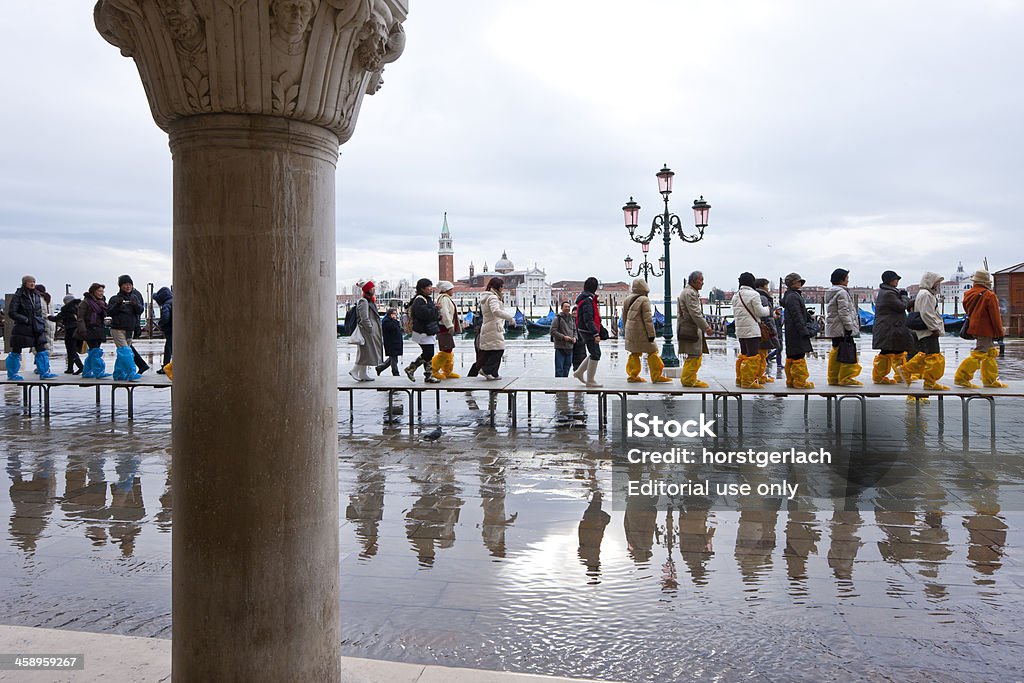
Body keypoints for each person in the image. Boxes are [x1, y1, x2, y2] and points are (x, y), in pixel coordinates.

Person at [954, 269, 1007, 388]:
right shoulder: (989, 295)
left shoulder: (968, 294)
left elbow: (968, 310)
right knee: (980, 353)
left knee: (989, 353)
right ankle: (961, 377)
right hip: (986, 330)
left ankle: (990, 380)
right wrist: (999, 332)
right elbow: (995, 316)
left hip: (974, 328)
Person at [897, 272, 949, 390]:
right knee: (933, 357)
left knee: (925, 355)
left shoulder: (924, 294)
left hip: (926, 330)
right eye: (937, 283)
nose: (938, 285)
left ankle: (907, 371)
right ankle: (929, 382)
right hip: (928, 331)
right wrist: (934, 328)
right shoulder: (926, 295)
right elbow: (927, 314)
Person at [5, 275, 57, 380]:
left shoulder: (36, 295)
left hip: (36, 326)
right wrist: (25, 319)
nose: (32, 283)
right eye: (30, 282)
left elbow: (39, 311)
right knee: (16, 350)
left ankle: (44, 372)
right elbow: (12, 312)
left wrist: (40, 321)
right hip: (22, 327)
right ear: (25, 283)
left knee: (41, 349)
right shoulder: (18, 295)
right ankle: (12, 374)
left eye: (34, 281)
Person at [869, 270, 916, 385]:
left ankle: (901, 374)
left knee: (898, 350)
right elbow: (901, 306)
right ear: (890, 281)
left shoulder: (889, 292)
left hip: (891, 327)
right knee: (887, 351)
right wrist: (904, 297)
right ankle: (880, 377)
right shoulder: (888, 293)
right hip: (889, 328)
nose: (897, 281)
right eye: (896, 279)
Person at [622, 278, 671, 383]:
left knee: (634, 353)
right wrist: (651, 334)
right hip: (642, 332)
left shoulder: (627, 299)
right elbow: (647, 319)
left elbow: (624, 317)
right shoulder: (644, 299)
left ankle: (632, 375)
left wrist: (626, 330)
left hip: (631, 331)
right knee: (653, 352)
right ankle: (656, 376)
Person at [730, 272, 769, 389]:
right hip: (752, 330)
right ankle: (748, 382)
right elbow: (760, 312)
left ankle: (740, 379)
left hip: (740, 330)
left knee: (744, 355)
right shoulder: (754, 294)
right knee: (752, 356)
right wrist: (768, 309)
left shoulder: (736, 295)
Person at [825, 268, 863, 386]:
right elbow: (844, 312)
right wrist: (849, 326)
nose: (848, 280)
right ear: (841, 279)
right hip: (842, 328)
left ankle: (833, 377)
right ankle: (846, 377)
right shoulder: (842, 293)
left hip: (834, 328)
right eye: (847, 278)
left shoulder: (831, 292)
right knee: (848, 351)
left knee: (836, 351)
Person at [677, 270, 713, 388]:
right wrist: (706, 327)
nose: (703, 283)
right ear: (694, 281)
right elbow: (695, 313)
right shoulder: (690, 293)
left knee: (696, 353)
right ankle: (688, 380)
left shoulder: (689, 292)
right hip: (690, 329)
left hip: (690, 327)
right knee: (694, 354)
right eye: (701, 280)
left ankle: (690, 378)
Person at [107, 275, 146, 381]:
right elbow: (109, 311)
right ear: (120, 286)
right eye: (125, 284)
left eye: (130, 284)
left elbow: (140, 311)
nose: (128, 286)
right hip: (117, 329)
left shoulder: (135, 297)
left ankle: (119, 373)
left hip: (130, 329)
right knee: (125, 351)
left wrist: (135, 305)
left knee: (123, 353)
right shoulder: (114, 298)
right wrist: (118, 305)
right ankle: (131, 372)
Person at [780, 272, 815, 389]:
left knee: (792, 355)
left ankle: (791, 380)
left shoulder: (791, 295)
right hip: (796, 331)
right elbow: (797, 315)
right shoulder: (793, 296)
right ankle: (800, 382)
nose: (800, 283)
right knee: (798, 356)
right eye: (798, 281)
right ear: (792, 283)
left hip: (792, 331)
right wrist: (804, 331)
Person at [477, 277, 516, 379]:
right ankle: (486, 370)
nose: (503, 288)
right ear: (499, 287)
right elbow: (496, 311)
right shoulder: (493, 297)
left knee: (492, 350)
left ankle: (493, 373)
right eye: (502, 286)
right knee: (499, 350)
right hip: (493, 327)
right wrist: (510, 318)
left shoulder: (488, 296)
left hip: (488, 326)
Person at [405, 278, 441, 383]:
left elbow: (430, 314)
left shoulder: (426, 299)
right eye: (428, 287)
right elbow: (423, 314)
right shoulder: (419, 300)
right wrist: (435, 309)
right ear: (422, 289)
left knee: (427, 353)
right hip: (422, 331)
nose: (431, 289)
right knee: (428, 353)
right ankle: (411, 368)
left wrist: (436, 313)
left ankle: (428, 375)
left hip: (427, 330)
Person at [77, 283, 112, 379]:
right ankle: (99, 371)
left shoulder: (102, 302)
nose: (101, 293)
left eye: (102, 291)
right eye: (99, 291)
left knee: (93, 351)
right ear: (93, 291)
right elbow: (80, 318)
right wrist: (83, 330)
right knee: (95, 350)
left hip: (100, 329)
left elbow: (106, 313)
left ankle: (86, 372)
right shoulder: (86, 302)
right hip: (89, 329)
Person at [572, 276, 603, 387]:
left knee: (594, 353)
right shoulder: (587, 300)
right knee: (596, 354)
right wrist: (595, 333)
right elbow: (588, 319)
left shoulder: (585, 298)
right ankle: (590, 380)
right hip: (587, 331)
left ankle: (579, 372)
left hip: (584, 330)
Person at [349, 281, 383, 382]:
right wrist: (370, 328)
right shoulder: (364, 301)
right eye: (372, 288)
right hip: (367, 332)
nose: (374, 289)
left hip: (369, 331)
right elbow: (364, 318)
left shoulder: (369, 301)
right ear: (368, 289)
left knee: (366, 352)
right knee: (365, 352)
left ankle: (363, 373)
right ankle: (354, 370)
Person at [432, 281, 461, 380]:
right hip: (444, 327)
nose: (453, 290)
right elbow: (445, 313)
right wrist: (450, 325)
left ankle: (447, 371)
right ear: (446, 290)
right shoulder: (444, 299)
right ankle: (434, 370)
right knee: (446, 350)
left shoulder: (444, 298)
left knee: (448, 349)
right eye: (451, 289)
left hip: (445, 326)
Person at [754, 278, 777, 384]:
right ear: (763, 286)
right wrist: (772, 329)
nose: (768, 289)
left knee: (762, 353)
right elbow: (764, 315)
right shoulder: (763, 297)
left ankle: (759, 375)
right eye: (767, 286)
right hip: (765, 329)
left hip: (759, 328)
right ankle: (759, 376)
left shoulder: (757, 296)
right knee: (762, 354)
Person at [57, 294, 84, 374]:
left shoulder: (66, 309)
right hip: (78, 330)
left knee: (70, 349)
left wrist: (48, 317)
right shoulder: (79, 307)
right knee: (72, 349)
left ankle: (80, 366)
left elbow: (57, 318)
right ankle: (70, 368)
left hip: (70, 330)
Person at [550, 300, 577, 377]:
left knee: (567, 368)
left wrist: (575, 337)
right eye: (565, 307)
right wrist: (563, 337)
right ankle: (558, 387)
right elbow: (552, 331)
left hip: (570, 347)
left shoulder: (572, 319)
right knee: (559, 369)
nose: (567, 308)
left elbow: (575, 330)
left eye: (568, 307)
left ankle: (565, 386)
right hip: (560, 347)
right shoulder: (557, 318)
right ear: (562, 308)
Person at [376, 308, 404, 376]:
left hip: (395, 342)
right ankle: (395, 373)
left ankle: (379, 368)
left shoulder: (392, 320)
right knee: (394, 359)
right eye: (394, 314)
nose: (395, 315)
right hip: (391, 343)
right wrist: (395, 321)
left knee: (391, 359)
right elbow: (392, 328)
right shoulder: (387, 321)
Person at [154, 286, 173, 374]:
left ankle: (166, 367)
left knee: (168, 348)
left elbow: (165, 317)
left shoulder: (166, 305)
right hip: (176, 329)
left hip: (170, 329)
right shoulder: (174, 301)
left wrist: (160, 324)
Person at [35, 285, 57, 354]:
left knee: (41, 346)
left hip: (42, 323)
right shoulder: (49, 299)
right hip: (51, 323)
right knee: (49, 343)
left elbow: (41, 313)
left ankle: (42, 363)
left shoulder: (38, 299)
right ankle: (45, 362)